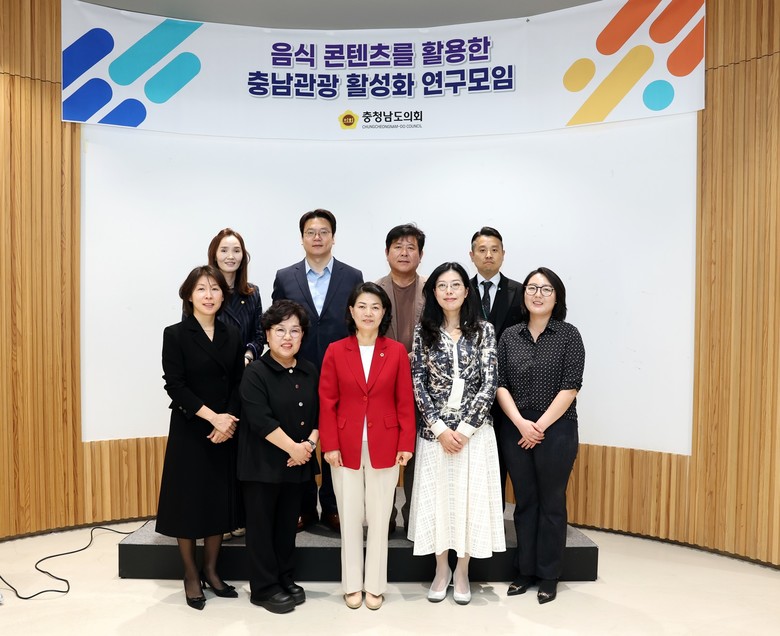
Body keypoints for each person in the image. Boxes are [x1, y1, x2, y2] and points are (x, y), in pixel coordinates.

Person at [408, 262, 506, 606]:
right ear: (433, 292)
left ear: (467, 291)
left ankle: (462, 570)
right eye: (442, 286)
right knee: (439, 502)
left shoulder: (484, 330)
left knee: (468, 502)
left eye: (455, 285)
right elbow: (417, 382)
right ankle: (441, 569)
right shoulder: (424, 331)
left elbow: (489, 383)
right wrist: (439, 428)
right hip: (434, 434)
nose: (449, 291)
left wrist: (463, 430)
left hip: (473, 435)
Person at [319, 283, 416, 610]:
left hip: (385, 443)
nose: (368, 312)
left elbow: (405, 401)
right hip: (344, 446)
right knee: (348, 516)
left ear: (384, 312)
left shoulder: (396, 351)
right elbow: (327, 401)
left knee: (379, 516)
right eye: (362, 306)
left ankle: (374, 585)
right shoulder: (335, 350)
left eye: (375, 306)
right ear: (351, 311)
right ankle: (351, 585)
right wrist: (330, 444)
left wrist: (406, 442)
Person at [156, 265, 244, 610]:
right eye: (202, 289)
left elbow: (238, 382)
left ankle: (211, 569)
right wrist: (213, 418)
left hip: (224, 431)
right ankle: (191, 574)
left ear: (223, 296)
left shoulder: (232, 333)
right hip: (191, 429)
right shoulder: (175, 334)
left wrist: (228, 422)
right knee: (188, 503)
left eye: (215, 289)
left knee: (217, 501)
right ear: (189, 295)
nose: (209, 295)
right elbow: (175, 386)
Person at [496, 267, 585, 604]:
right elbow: (500, 383)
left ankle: (549, 574)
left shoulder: (569, 335)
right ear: (524, 295)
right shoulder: (510, 336)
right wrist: (521, 423)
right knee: (524, 501)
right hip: (516, 427)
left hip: (557, 429)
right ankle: (525, 571)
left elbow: (571, 386)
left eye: (546, 289)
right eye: (532, 288)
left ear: (557, 297)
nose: (538, 294)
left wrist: (539, 426)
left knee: (552, 502)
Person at [272, 209, 363, 533]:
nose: (317, 237)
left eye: (324, 231)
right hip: (299, 369)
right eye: (310, 232)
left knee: (339, 436)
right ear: (302, 238)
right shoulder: (286, 276)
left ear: (333, 237)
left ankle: (334, 506)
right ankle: (305, 506)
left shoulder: (352, 276)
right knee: (301, 433)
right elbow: (277, 321)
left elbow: (357, 323)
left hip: (343, 369)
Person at [238, 300, 319, 614]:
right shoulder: (255, 372)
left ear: (302, 335)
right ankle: (263, 587)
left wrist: (308, 446)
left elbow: (320, 414)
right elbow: (261, 420)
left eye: (295, 330)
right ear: (268, 334)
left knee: (287, 526)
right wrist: (294, 449)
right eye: (280, 330)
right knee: (262, 528)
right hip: (262, 466)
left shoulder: (309, 369)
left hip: (297, 464)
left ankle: (285, 578)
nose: (288, 337)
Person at [206, 227, 264, 540]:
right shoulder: (204, 290)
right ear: (214, 254)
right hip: (212, 381)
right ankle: (218, 518)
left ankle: (239, 516)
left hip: (244, 379)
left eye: (236, 250)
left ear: (244, 256)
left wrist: (248, 354)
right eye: (225, 250)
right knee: (217, 450)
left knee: (242, 449)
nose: (231, 256)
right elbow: (192, 333)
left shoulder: (251, 294)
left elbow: (259, 334)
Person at [468, 226, 524, 507]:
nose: (488, 255)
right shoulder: (460, 290)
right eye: (482, 250)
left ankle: (495, 517)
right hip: (469, 389)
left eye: (494, 250)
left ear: (503, 254)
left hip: (509, 389)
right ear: (472, 255)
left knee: (502, 455)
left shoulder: (520, 291)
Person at [376, 223, 426, 532]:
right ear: (387, 252)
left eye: (411, 247)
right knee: (382, 453)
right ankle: (382, 519)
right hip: (382, 386)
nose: (404, 253)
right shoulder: (372, 290)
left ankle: (413, 519)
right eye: (398, 246)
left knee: (417, 455)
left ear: (421, 255)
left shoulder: (433, 290)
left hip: (422, 387)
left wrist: (415, 359)